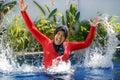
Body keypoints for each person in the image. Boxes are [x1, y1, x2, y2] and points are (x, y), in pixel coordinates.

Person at [19, 0, 99, 69]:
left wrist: (93, 27)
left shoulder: (69, 46)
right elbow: (32, 28)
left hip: (64, 74)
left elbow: (86, 44)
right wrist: (23, 12)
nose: (59, 37)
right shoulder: (46, 42)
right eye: (58, 34)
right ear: (55, 34)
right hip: (48, 74)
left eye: (63, 35)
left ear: (65, 38)